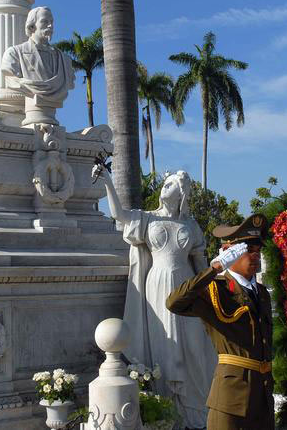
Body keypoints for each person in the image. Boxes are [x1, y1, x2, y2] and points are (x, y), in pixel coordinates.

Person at [92, 166, 216, 429]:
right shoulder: (147, 219)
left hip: (187, 287)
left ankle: (193, 410)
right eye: (165, 184)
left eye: (170, 185)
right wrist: (108, 182)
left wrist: (212, 296)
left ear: (182, 193)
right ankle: (166, 410)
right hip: (157, 287)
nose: (164, 188)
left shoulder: (190, 226)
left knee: (193, 347)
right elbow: (120, 215)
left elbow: (201, 265)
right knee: (164, 345)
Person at [166, 214, 274, 430]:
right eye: (247, 251)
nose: (254, 256)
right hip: (231, 399)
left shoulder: (261, 293)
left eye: (257, 251)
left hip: (263, 397)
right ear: (229, 252)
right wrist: (214, 269)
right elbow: (174, 303)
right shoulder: (215, 289)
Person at [2, 6, 75, 104]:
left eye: (51, 22)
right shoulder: (14, 53)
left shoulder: (65, 60)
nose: (50, 26)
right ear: (32, 26)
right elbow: (12, 79)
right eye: (45, 21)